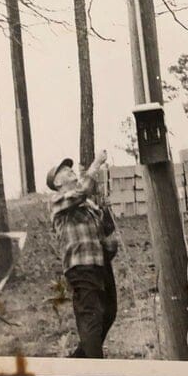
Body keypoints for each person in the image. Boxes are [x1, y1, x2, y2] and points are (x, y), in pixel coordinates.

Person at [47, 149, 118, 359]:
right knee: (92, 317)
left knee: (109, 313)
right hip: (80, 266)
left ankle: (78, 360)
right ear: (57, 183)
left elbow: (104, 232)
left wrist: (109, 238)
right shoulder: (57, 200)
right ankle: (95, 369)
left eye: (70, 169)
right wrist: (96, 164)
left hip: (100, 264)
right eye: (65, 171)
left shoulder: (88, 205)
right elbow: (81, 191)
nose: (71, 171)